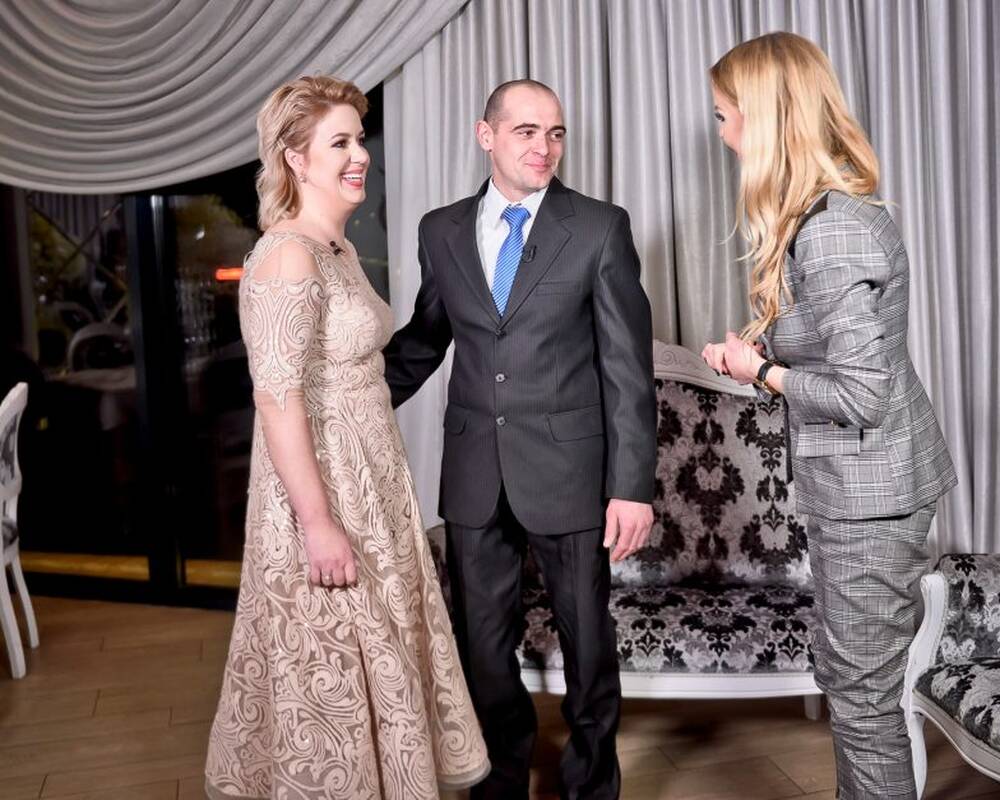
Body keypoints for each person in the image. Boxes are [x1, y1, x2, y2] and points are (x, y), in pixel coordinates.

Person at [205, 76, 489, 800]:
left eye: (358, 140)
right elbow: (276, 401)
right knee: (334, 664)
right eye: (339, 143)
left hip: (371, 485)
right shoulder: (286, 256)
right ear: (296, 159)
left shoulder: (335, 248)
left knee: (383, 653)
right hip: (324, 495)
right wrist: (318, 524)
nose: (359, 155)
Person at [701, 33, 958, 800]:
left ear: (762, 118)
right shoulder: (823, 214)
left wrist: (760, 371)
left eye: (723, 116)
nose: (721, 134)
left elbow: (861, 396)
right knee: (853, 685)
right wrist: (766, 349)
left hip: (870, 494)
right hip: (864, 487)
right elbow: (847, 357)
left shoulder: (831, 230)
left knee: (862, 699)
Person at [383, 79, 656, 800]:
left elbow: (627, 370)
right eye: (526, 132)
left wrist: (631, 487)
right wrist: (350, 399)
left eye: (555, 133)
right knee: (481, 643)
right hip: (474, 468)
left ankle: (590, 784)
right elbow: (425, 338)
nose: (544, 147)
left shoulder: (598, 227)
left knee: (587, 642)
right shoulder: (440, 229)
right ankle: (499, 778)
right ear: (487, 136)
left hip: (570, 471)